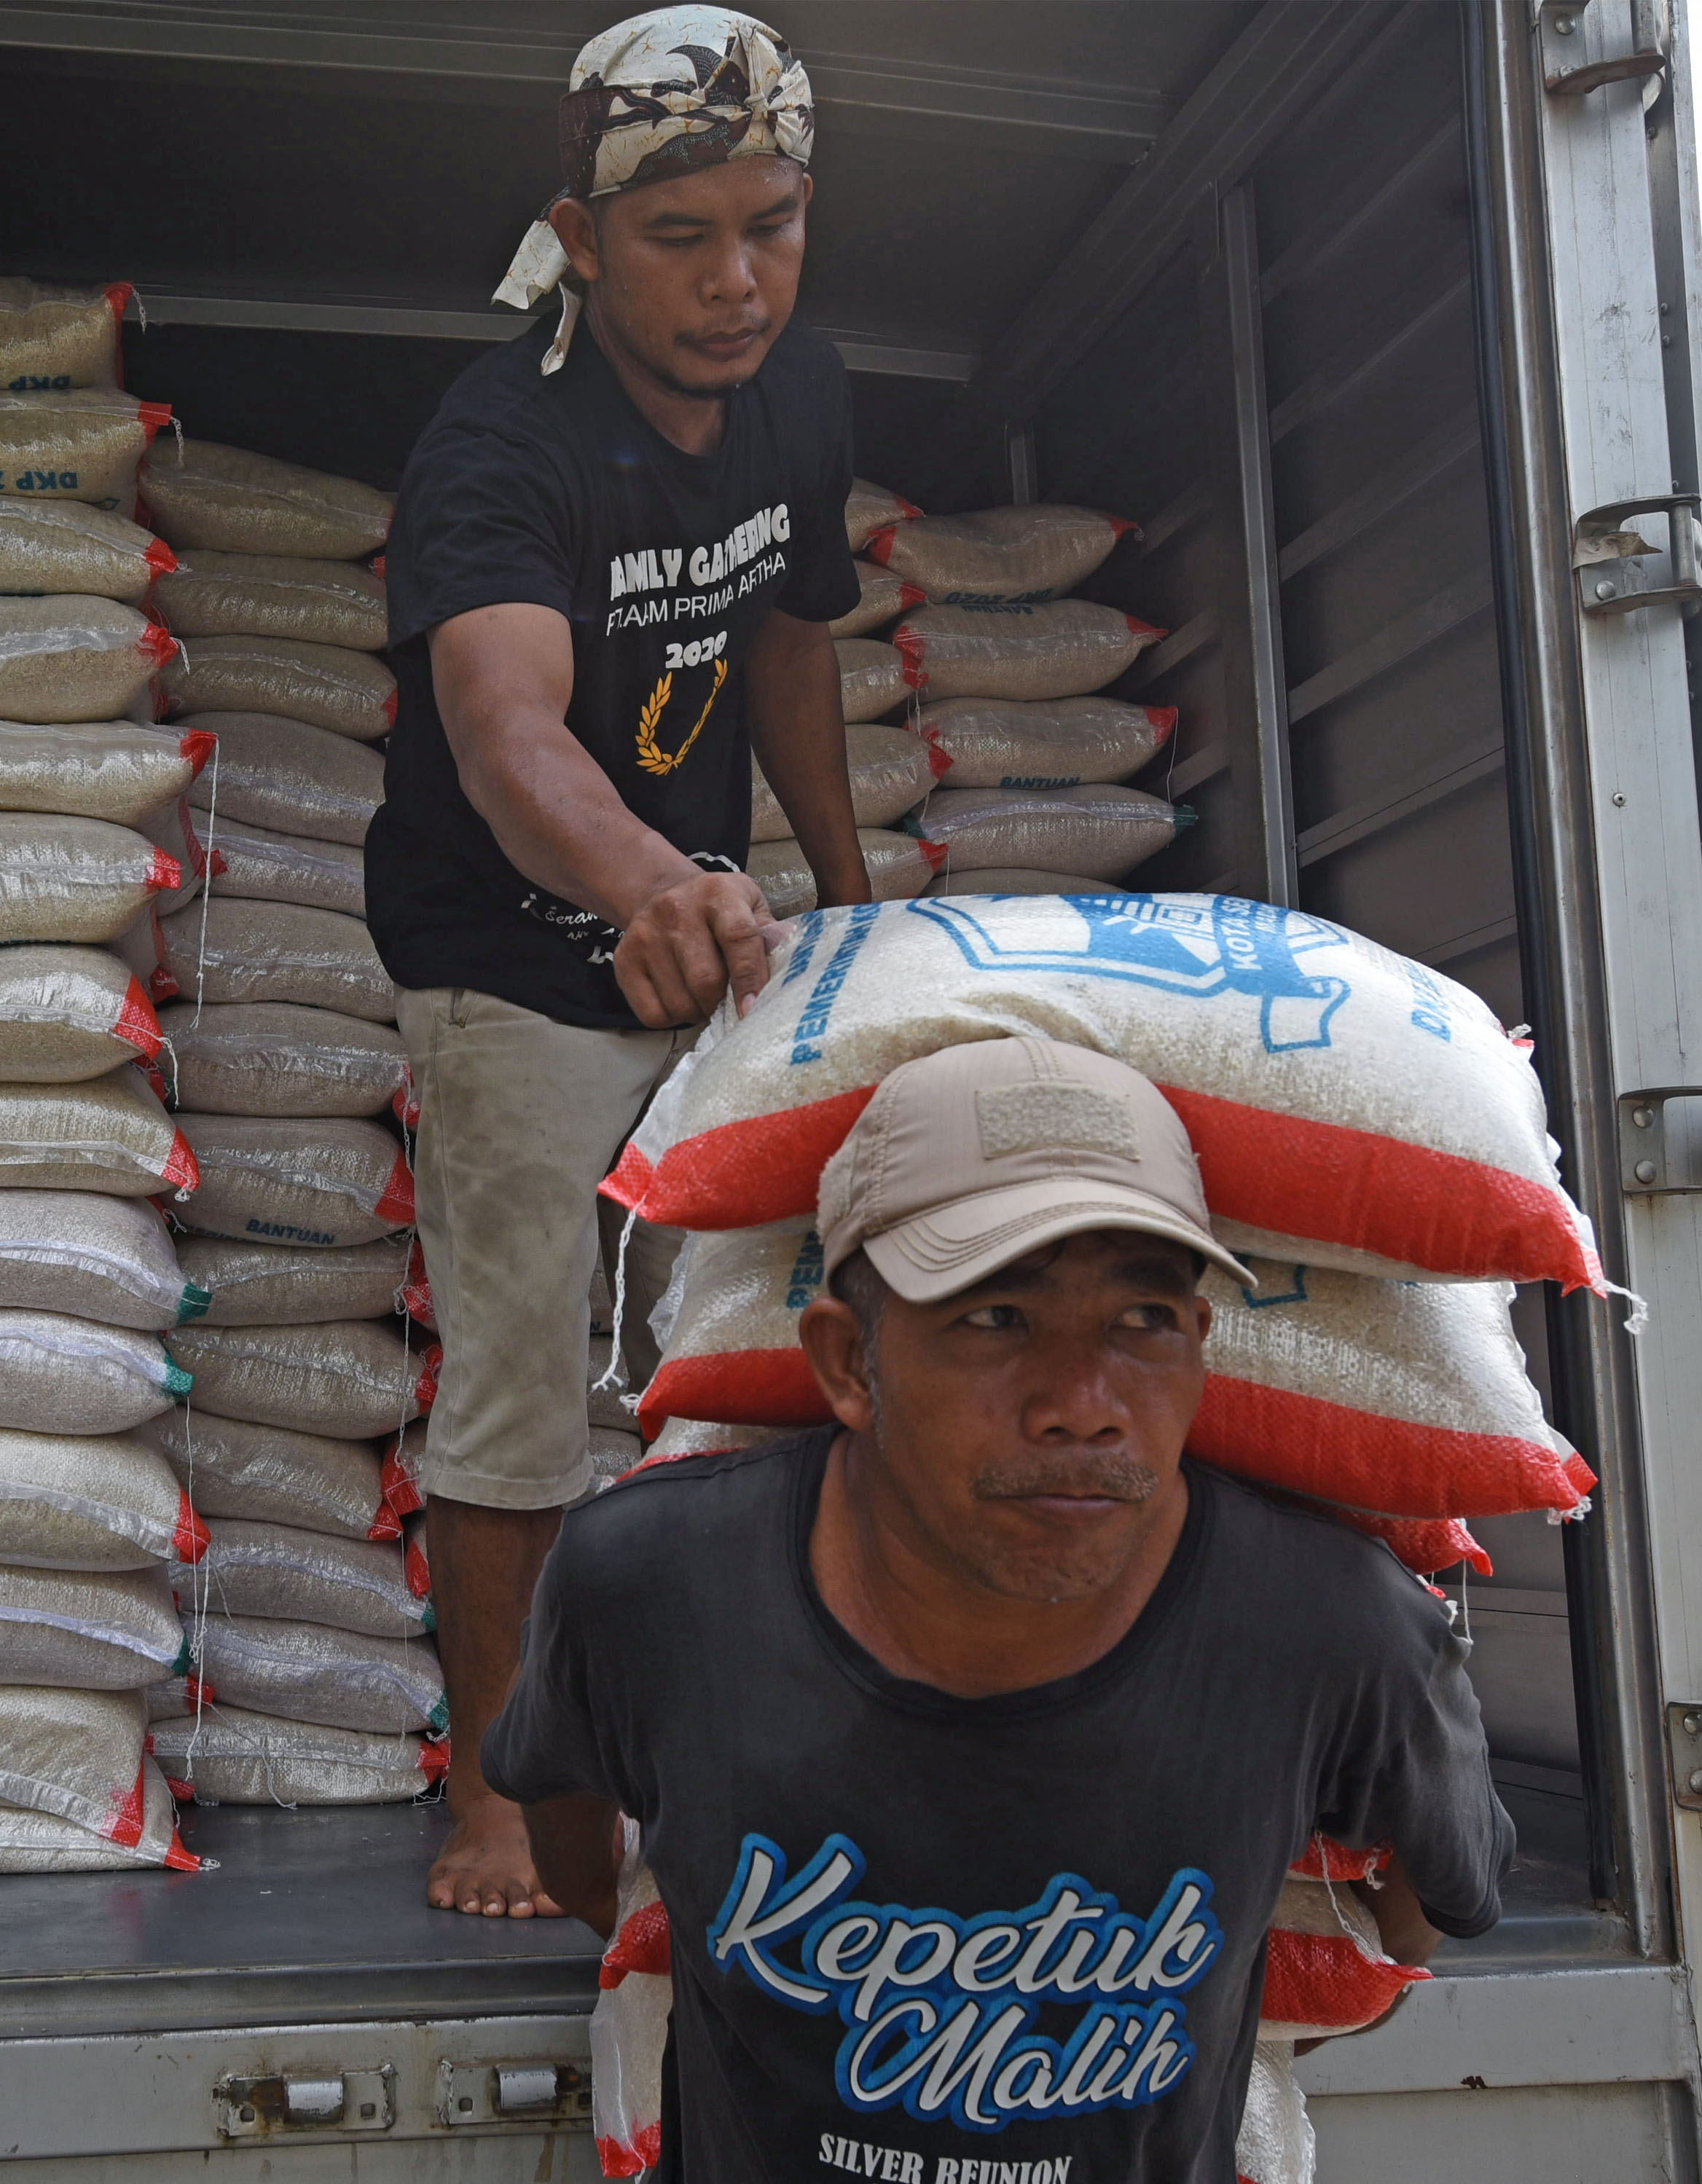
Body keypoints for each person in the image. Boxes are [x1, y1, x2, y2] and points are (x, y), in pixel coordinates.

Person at [483, 1035, 1514, 2179]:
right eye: (994, 1318)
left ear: (1202, 1344)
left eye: (1143, 1319)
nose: (1084, 1406)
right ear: (847, 1363)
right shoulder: (652, 1582)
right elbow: (579, 1856)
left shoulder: (1331, 1628)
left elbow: (1421, 1910)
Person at [364, 6, 874, 1917]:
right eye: (684, 238)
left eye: (778, 223)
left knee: (734, 1357)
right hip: (510, 951)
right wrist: (655, 880)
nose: (739, 281)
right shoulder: (503, 446)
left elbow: (794, 637)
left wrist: (846, 890)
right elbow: (506, 735)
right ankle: (500, 1791)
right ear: (580, 239)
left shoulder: (801, 394)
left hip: (713, 932)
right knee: (519, 1381)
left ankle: (725, 1738)